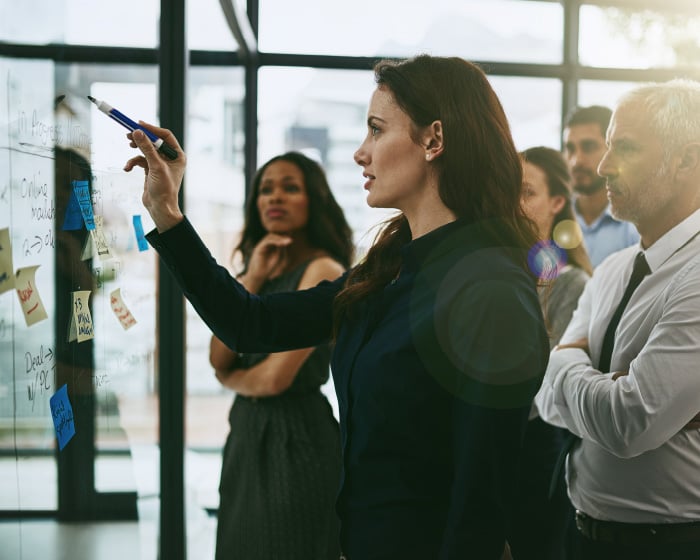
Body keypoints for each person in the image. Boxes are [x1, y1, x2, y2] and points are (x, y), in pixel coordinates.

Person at [124, 54, 549, 559]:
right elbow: (250, 323)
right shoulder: (388, 268)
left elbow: (482, 503)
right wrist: (167, 212)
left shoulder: (490, 289)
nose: (359, 153)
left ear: (434, 140)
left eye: (375, 130)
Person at [535, 80, 700, 560]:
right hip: (579, 535)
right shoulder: (610, 271)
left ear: (688, 160)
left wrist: (564, 362)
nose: (603, 166)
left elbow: (630, 423)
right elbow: (544, 401)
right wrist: (595, 382)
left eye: (623, 147)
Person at [208, 152, 353, 560]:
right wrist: (252, 276)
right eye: (266, 189)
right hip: (247, 434)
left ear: (314, 201)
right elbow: (219, 356)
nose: (276, 197)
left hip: (297, 438)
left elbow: (274, 379)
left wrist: (234, 381)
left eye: (290, 188)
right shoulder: (260, 266)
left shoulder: (323, 269)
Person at [508, 146, 592, 560]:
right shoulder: (494, 270)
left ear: (557, 202)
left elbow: (547, 373)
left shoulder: (570, 282)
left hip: (536, 445)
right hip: (491, 438)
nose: (514, 204)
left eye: (527, 192)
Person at [564, 105, 638, 267]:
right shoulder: (555, 216)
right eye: (570, 149)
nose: (576, 161)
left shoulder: (635, 227)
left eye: (588, 147)